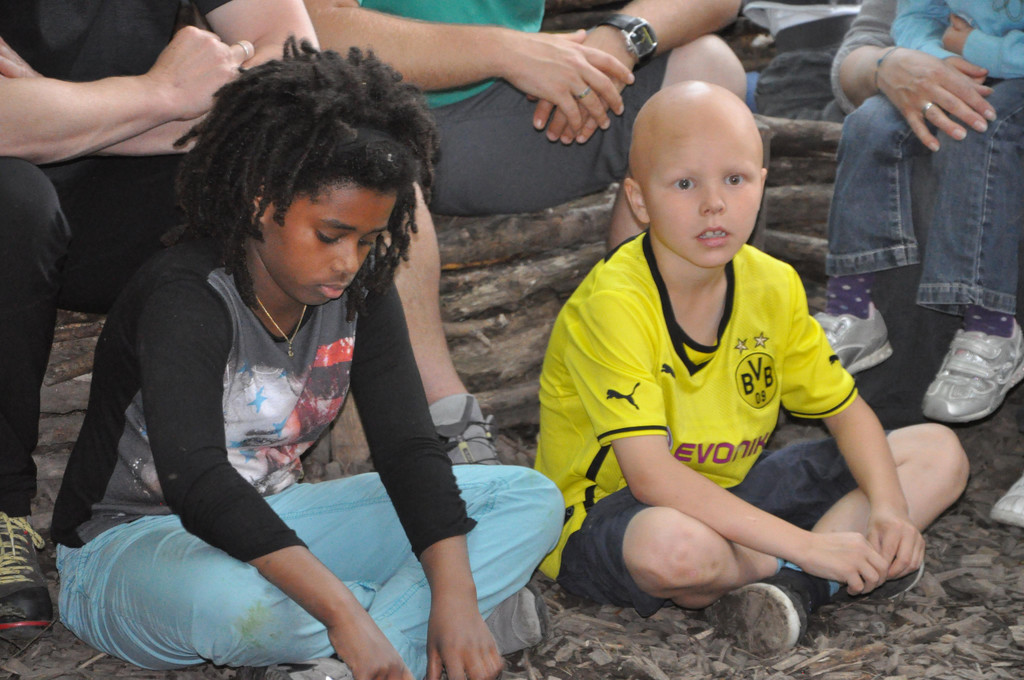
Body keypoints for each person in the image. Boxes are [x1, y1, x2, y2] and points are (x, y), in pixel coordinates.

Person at [49, 42, 563, 680]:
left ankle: (361, 654)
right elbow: (197, 481)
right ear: (263, 200)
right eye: (330, 234)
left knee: (528, 499)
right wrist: (343, 613)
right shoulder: (186, 294)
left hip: (280, 522)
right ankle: (387, 626)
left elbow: (409, 449)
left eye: (369, 240)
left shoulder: (359, 292)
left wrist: (455, 599)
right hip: (130, 547)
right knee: (249, 611)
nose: (348, 262)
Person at [532, 81, 969, 656]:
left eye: (735, 179)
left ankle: (793, 586)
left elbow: (847, 412)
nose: (713, 204)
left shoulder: (772, 283)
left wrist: (890, 510)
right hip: (619, 514)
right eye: (684, 184)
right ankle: (815, 568)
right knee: (677, 551)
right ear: (638, 199)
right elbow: (652, 479)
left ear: (762, 183)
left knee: (937, 451)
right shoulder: (615, 303)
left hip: (736, 491)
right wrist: (808, 545)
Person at [302, 0, 747, 466]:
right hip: (366, 112)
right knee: (369, 159)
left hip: (508, 116)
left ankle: (643, 365)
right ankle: (448, 424)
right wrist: (505, 51)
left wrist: (621, 37)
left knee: (707, 70)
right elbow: (314, 26)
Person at [0, 0, 316, 638]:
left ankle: (232, 479)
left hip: (121, 179)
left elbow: (295, 61)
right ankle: (4, 509)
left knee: (267, 169)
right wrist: (162, 93)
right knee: (13, 204)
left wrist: (72, 113)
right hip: (18, 201)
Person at [815, 0, 1024, 423]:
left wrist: (974, 47)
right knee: (870, 124)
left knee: (975, 132)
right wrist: (927, 59)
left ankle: (990, 325)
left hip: (1004, 85)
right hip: (960, 72)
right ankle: (852, 304)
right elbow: (906, 20)